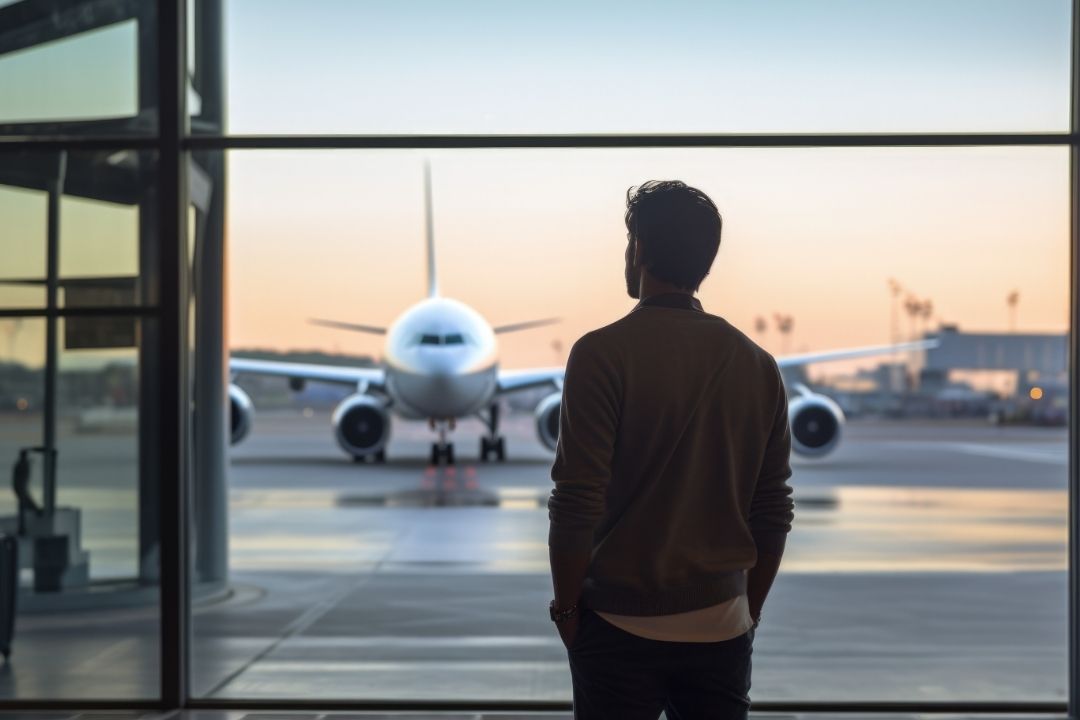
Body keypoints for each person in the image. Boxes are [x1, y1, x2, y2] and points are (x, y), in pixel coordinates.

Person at [547, 180, 795, 719]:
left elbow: (576, 502)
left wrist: (567, 609)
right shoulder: (758, 365)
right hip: (723, 625)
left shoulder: (600, 355)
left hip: (617, 625)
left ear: (637, 249)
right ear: (706, 260)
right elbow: (772, 509)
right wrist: (745, 609)